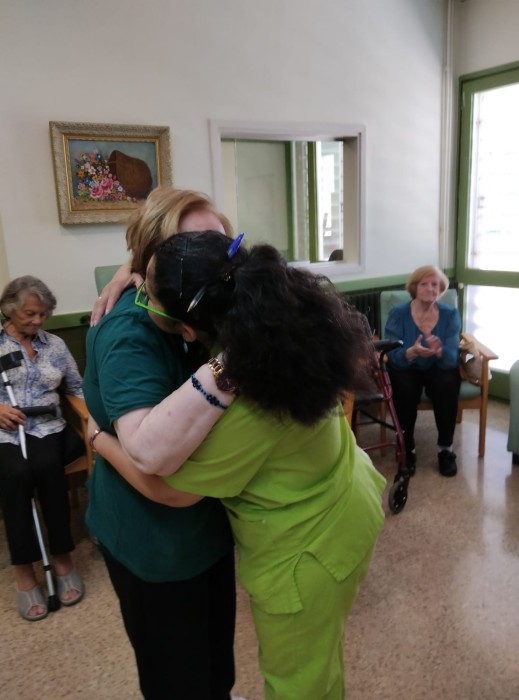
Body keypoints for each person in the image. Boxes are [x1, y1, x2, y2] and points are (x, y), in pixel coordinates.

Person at [90, 230, 386, 700]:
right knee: (323, 656)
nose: (138, 294)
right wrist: (131, 272)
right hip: (346, 500)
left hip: (307, 554)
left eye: (147, 294)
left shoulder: (246, 405)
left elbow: (172, 489)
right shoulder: (280, 316)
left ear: (189, 330)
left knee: (299, 681)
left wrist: (95, 435)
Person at [83, 187, 239, 700]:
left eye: (219, 246)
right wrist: (100, 437)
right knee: (176, 678)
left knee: (216, 663)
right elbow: (169, 485)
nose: (213, 263)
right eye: (192, 247)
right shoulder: (129, 335)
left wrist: (99, 437)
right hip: (155, 541)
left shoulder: (211, 308)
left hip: (208, 528)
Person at [0, 276, 85, 621]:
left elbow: (77, 386)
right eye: (30, 314)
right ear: (10, 310)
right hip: (7, 432)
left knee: (48, 467)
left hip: (49, 425)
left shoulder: (56, 345)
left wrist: (93, 418)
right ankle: (24, 571)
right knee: (16, 474)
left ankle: (62, 557)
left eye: (43, 314)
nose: (38, 321)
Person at [384, 265, 461, 477]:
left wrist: (439, 350)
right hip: (407, 366)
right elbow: (391, 354)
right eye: (424, 284)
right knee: (402, 386)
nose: (430, 289)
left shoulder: (450, 315)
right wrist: (411, 352)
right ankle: (407, 449)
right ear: (414, 288)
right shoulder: (398, 314)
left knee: (447, 383)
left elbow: (452, 358)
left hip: (438, 366)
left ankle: (446, 449)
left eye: (435, 284)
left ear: (441, 289)